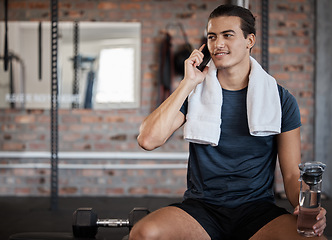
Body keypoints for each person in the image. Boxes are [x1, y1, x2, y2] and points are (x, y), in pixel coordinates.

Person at [130, 4, 327, 240]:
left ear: (249, 40)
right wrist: (187, 83)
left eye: (228, 35)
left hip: (258, 212)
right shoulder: (194, 93)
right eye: (212, 36)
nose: (218, 44)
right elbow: (148, 139)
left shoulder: (281, 99)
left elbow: (291, 177)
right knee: (144, 233)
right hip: (202, 209)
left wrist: (307, 207)